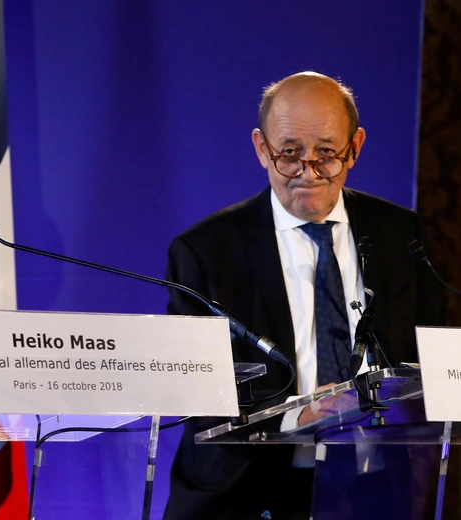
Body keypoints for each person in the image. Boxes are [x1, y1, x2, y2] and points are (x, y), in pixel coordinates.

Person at [162, 71, 443, 519]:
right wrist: (296, 417)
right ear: (260, 148)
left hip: (371, 487)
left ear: (355, 147)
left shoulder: (399, 234)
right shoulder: (206, 251)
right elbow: (196, 390)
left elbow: (431, 354)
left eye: (326, 153)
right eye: (289, 154)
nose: (308, 172)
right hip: (245, 491)